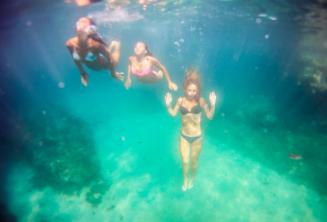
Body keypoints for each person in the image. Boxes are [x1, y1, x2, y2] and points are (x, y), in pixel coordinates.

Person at [165, 69, 217, 191]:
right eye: (189, 90)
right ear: (185, 89)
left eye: (194, 90)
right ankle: (185, 180)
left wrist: (213, 105)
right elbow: (173, 114)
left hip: (197, 137)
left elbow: (209, 116)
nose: (191, 93)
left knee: (193, 162)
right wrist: (168, 105)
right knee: (185, 161)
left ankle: (192, 178)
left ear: (197, 90)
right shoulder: (180, 100)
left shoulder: (201, 101)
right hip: (184, 136)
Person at [66, 17, 124, 87]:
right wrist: (83, 73)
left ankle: (117, 45)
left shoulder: (95, 45)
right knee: (106, 51)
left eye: (84, 22)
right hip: (95, 63)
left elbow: (111, 60)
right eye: (79, 21)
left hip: (104, 65)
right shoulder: (70, 43)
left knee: (115, 63)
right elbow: (75, 59)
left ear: (91, 29)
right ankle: (109, 47)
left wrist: (113, 73)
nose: (80, 23)